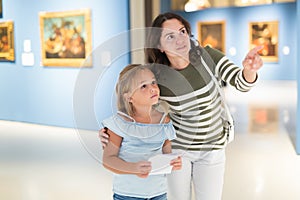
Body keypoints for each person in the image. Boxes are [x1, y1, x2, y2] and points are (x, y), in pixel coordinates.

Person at [101, 12, 263, 200]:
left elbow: (241, 82)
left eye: (182, 31)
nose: (180, 39)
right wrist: (110, 131)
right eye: (170, 36)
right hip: (178, 150)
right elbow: (136, 101)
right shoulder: (157, 76)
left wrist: (249, 70)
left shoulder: (207, 56)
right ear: (159, 46)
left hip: (213, 149)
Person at [101, 64, 182, 200]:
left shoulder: (164, 121)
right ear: (128, 97)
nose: (152, 88)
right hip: (127, 195)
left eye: (153, 82)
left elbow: (167, 154)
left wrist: (173, 163)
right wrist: (133, 168)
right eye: (143, 86)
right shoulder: (120, 124)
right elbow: (108, 160)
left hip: (158, 193)